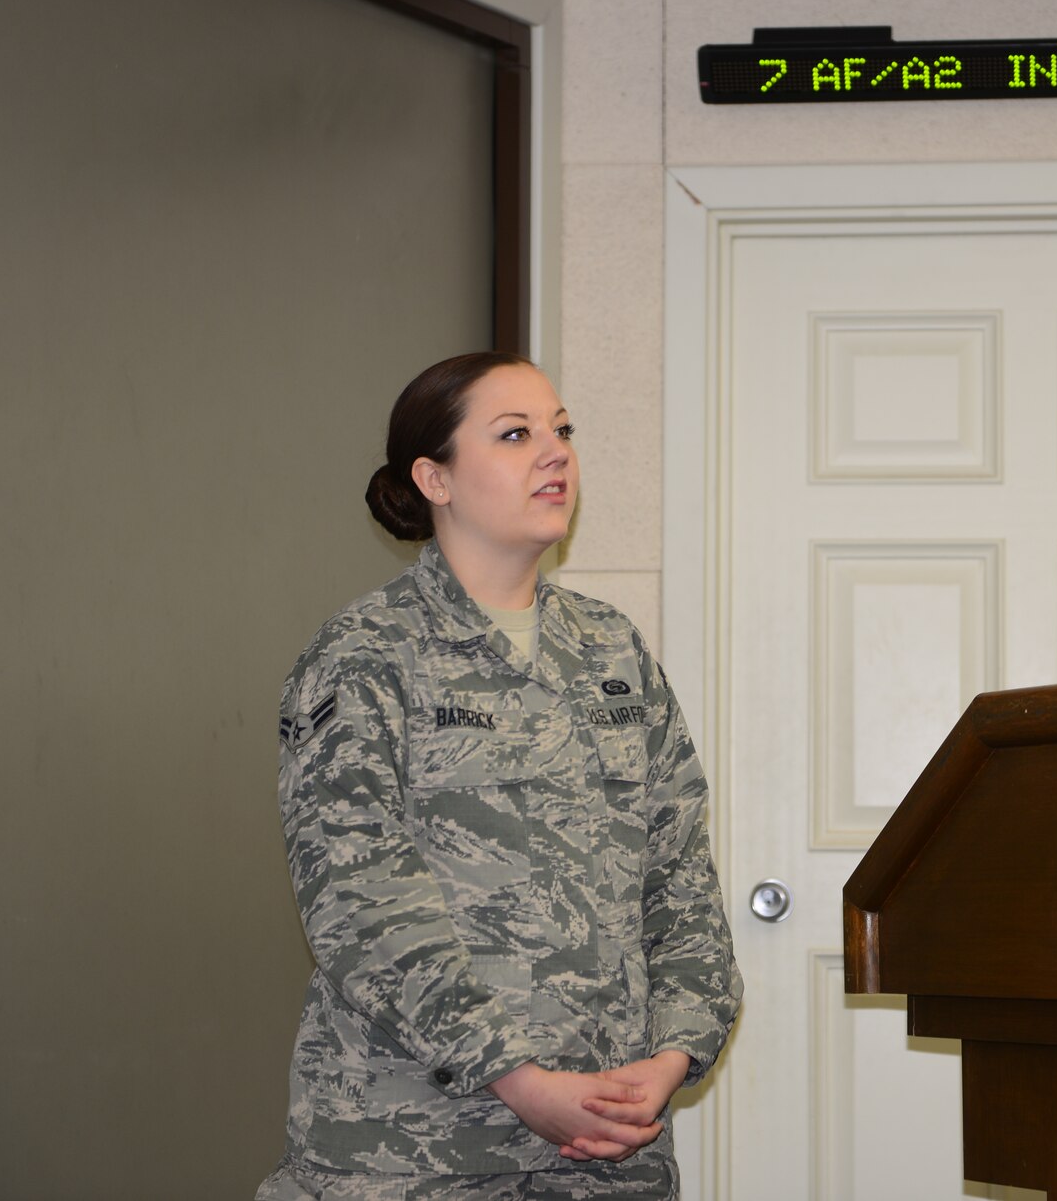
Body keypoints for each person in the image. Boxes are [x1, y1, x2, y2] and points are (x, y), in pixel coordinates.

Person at [258, 353, 741, 1200]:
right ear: (433, 477)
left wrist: (671, 1056)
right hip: (416, 1155)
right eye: (516, 434)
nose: (555, 453)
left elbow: (681, 877)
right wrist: (515, 1076)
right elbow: (359, 903)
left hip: (607, 1155)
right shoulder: (368, 655)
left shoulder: (611, 652)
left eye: (561, 431)